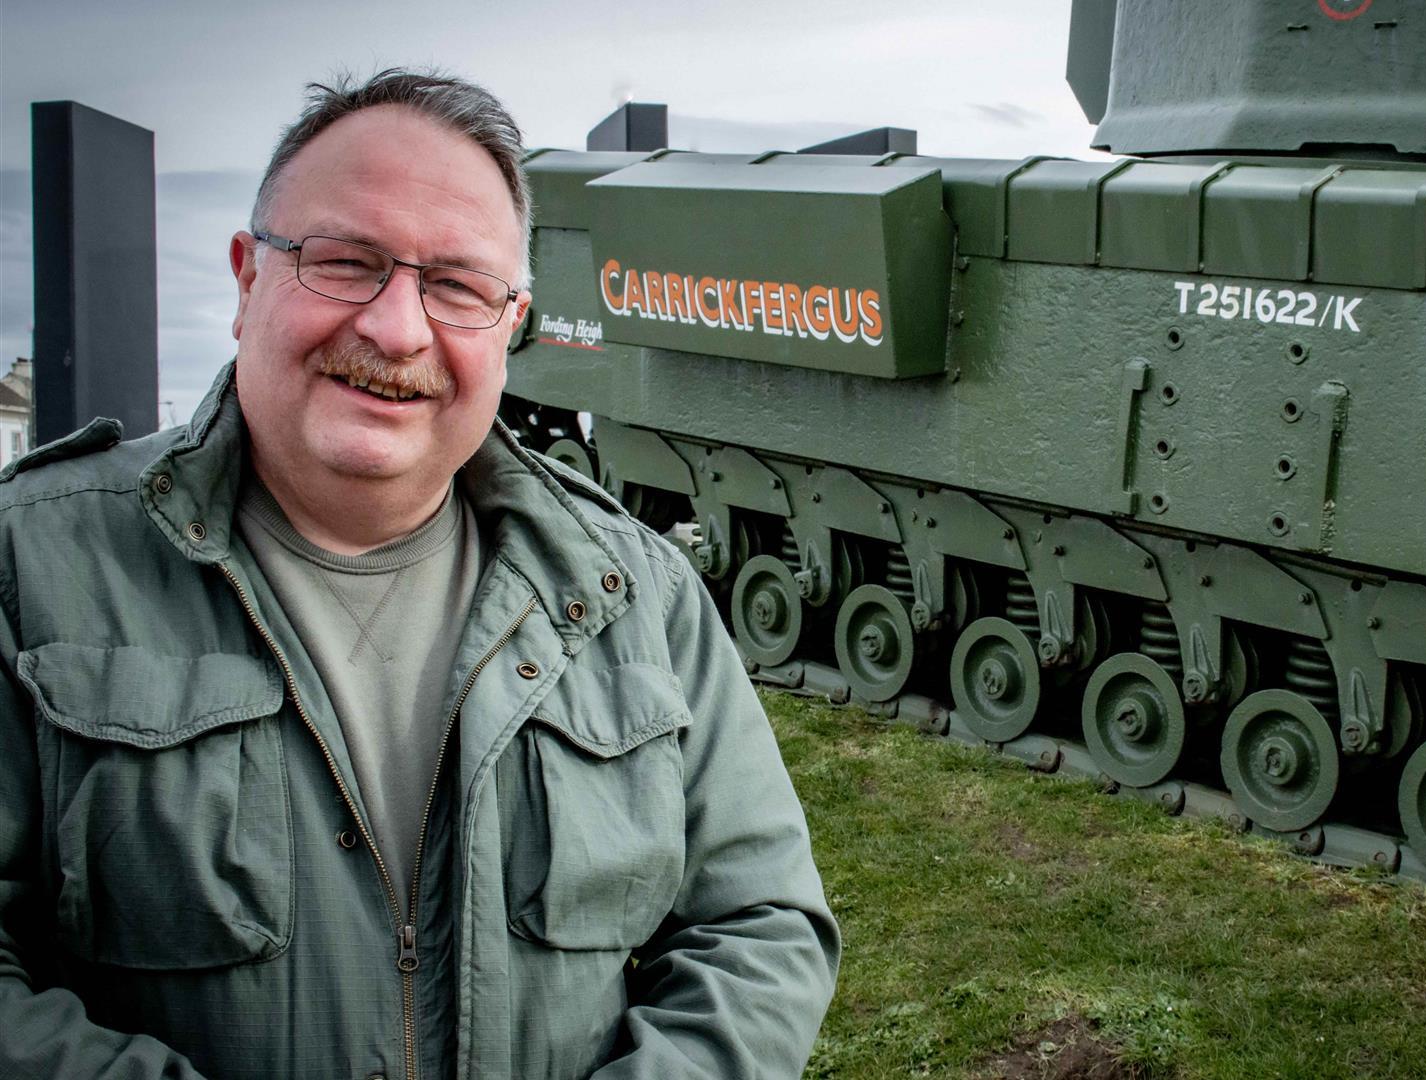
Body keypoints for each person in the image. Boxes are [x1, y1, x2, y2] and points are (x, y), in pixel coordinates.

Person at [0, 71, 838, 1079]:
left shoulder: (638, 597)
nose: (398, 330)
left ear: (511, 323)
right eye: (345, 261)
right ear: (244, 280)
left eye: (457, 286)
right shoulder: (30, 568)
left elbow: (760, 925)